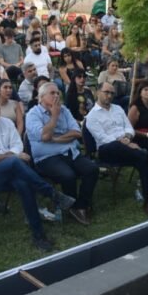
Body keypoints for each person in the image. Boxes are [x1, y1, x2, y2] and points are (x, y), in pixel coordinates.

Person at [0, 91, 75, 251]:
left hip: (7, 171)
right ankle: (52, 194)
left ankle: (39, 236)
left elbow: (17, 146)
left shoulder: (7, 123)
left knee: (24, 184)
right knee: (15, 162)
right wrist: (8, 156)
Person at [26, 82, 99, 226]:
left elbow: (77, 132)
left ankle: (80, 206)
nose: (56, 96)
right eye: (52, 93)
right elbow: (44, 136)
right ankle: (72, 207)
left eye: (58, 93)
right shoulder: (33, 114)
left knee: (92, 169)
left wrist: (56, 138)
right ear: (41, 98)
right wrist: (54, 117)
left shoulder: (64, 110)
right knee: (68, 175)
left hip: (69, 151)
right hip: (46, 158)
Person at [86, 82, 148, 216]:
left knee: (142, 160)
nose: (109, 95)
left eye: (112, 93)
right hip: (107, 150)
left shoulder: (118, 109)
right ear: (97, 93)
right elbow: (102, 138)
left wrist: (128, 138)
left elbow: (129, 127)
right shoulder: (92, 116)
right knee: (130, 151)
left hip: (126, 147)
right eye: (106, 92)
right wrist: (125, 143)